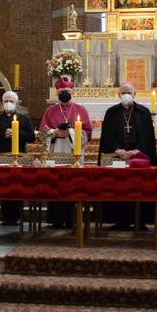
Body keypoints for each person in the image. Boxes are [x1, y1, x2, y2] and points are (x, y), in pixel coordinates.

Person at [98, 82, 157, 229]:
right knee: (118, 187)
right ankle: (119, 221)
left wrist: (137, 150)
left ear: (134, 94)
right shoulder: (111, 112)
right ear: (118, 95)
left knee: (138, 188)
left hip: (139, 158)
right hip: (117, 158)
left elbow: (148, 137)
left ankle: (140, 221)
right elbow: (107, 136)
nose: (126, 95)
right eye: (123, 93)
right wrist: (116, 149)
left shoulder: (143, 112)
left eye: (129, 93)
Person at [39, 77, 93, 228]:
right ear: (57, 93)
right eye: (62, 92)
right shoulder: (50, 111)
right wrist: (54, 132)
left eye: (67, 92)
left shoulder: (80, 110)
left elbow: (88, 133)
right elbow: (42, 133)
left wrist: (70, 133)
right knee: (56, 183)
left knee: (72, 184)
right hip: (55, 152)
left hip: (72, 152)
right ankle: (56, 219)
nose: (64, 94)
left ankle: (71, 219)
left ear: (72, 92)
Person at [0, 91, 36, 226]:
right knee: (3, 186)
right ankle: (6, 216)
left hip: (19, 156)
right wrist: (4, 134)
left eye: (11, 101)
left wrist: (16, 133)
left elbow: (31, 137)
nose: (8, 103)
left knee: (17, 186)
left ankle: (17, 216)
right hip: (1, 156)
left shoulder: (24, 119)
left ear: (17, 104)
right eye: (6, 101)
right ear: (1, 103)